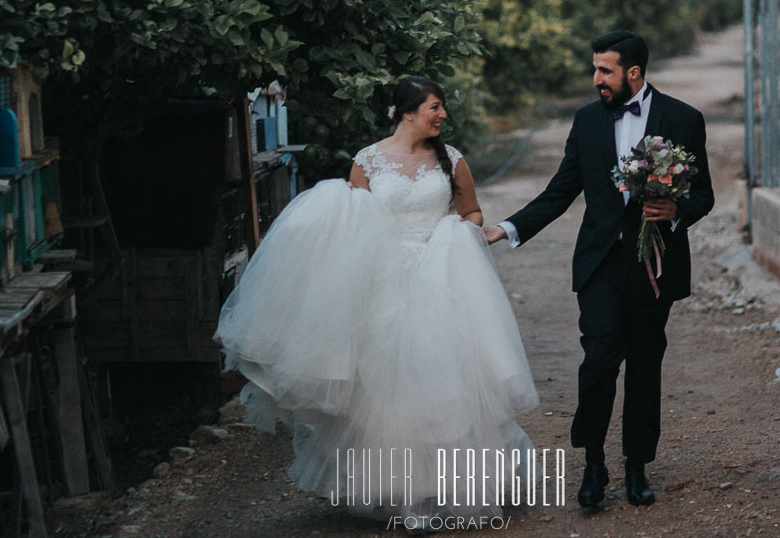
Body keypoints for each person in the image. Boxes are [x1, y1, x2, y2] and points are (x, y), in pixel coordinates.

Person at [215, 76, 538, 529]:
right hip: (382, 279)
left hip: (439, 276)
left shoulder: (453, 161)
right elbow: (354, 224)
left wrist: (458, 234)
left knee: (441, 380)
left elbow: (472, 212)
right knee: (379, 387)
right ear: (408, 111)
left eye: (441, 107)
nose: (442, 115)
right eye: (435, 107)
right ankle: (392, 487)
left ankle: (449, 485)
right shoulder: (367, 161)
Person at [484, 29, 714, 509]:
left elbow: (704, 195)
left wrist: (675, 213)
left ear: (633, 72)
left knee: (646, 364)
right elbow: (560, 189)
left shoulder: (684, 118)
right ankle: (593, 462)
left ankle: (637, 466)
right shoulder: (587, 120)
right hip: (601, 263)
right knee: (599, 361)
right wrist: (506, 229)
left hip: (655, 263)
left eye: (604, 70)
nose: (596, 80)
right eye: (594, 69)